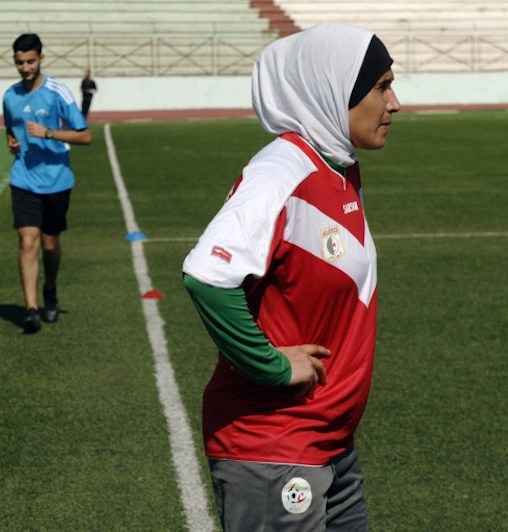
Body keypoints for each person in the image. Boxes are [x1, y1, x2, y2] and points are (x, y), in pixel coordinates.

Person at [182, 22, 400, 529]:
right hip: (273, 447)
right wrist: (272, 367)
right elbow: (206, 274)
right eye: (382, 87)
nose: (394, 104)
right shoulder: (280, 172)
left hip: (332, 441)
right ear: (333, 90)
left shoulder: (340, 167)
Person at [3, 33, 91, 334]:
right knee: (27, 241)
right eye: (19, 62)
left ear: (41, 58)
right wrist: (12, 144)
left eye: (30, 61)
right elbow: (11, 132)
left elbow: (84, 136)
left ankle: (50, 288)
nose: (25, 68)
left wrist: (48, 133)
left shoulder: (58, 92)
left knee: (49, 244)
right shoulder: (10, 95)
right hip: (23, 179)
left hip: (57, 181)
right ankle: (30, 309)